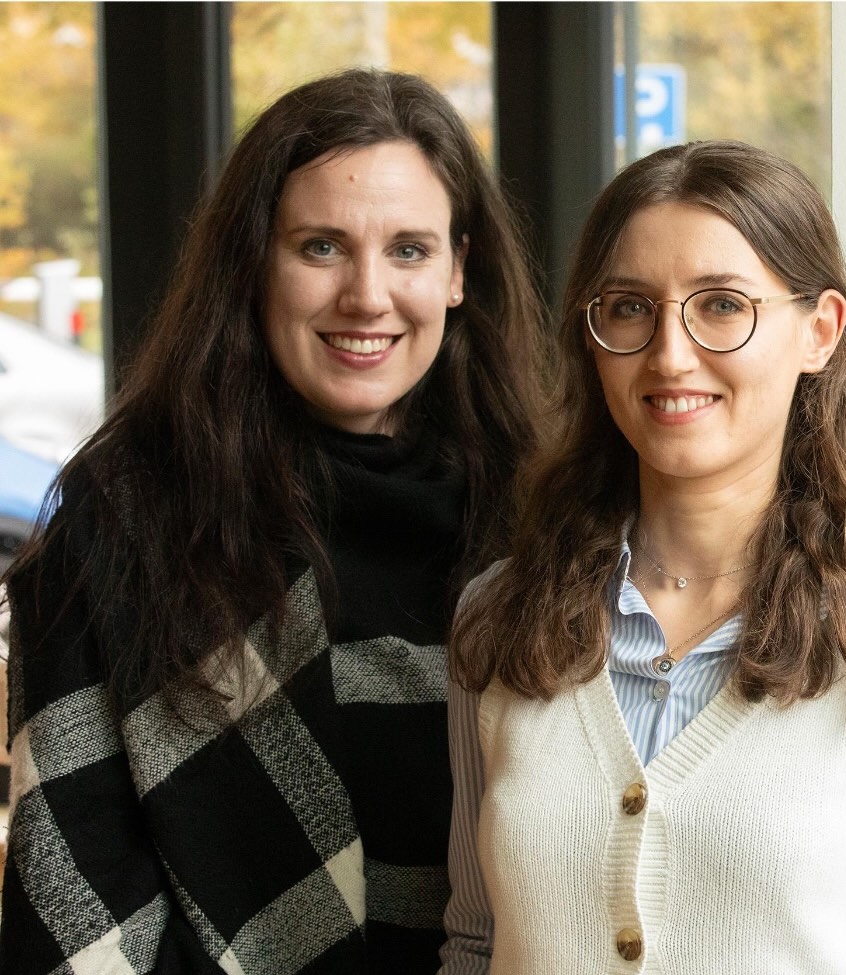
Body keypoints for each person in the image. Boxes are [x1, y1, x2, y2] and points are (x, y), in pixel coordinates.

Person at [440, 140, 846, 974]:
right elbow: (475, 944)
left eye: (721, 305)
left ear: (820, 331)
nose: (669, 354)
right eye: (627, 307)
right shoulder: (499, 619)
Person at [0, 69, 545, 973]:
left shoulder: (542, 522)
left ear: (459, 270)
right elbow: (74, 907)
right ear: (255, 260)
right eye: (321, 246)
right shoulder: (124, 522)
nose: (367, 295)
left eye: (408, 249)